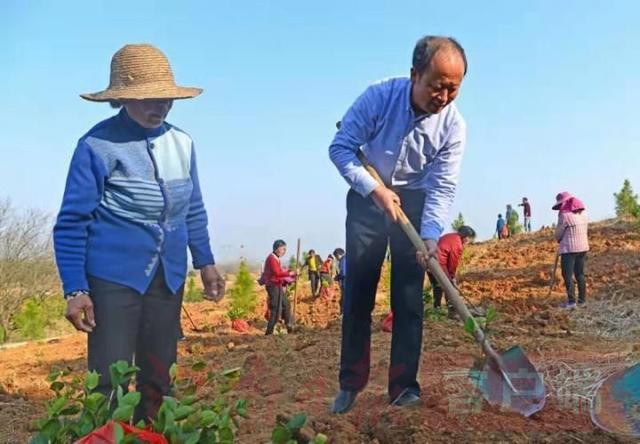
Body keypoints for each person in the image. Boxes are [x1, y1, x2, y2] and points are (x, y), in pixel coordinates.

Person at [53, 44, 225, 422]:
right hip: (114, 278)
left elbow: (192, 207)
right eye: (147, 98)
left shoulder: (182, 143)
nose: (158, 107)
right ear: (123, 98)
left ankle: (155, 433)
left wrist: (206, 261)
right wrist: (76, 289)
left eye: (165, 98)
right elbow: (71, 223)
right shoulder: (96, 146)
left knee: (160, 375)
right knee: (110, 381)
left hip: (168, 277)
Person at [329, 35, 468, 412]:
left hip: (417, 201)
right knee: (358, 293)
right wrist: (375, 190)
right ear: (414, 75)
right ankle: (350, 384)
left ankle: (404, 387)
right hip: (367, 196)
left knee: (409, 298)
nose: (443, 96)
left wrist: (430, 237)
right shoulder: (378, 98)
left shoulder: (453, 127)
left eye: (453, 89)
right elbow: (341, 148)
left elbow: (442, 185)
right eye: (437, 86)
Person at [427, 226, 476, 317]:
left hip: (431, 262)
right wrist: (451, 277)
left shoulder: (450, 236)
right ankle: (452, 311)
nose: (469, 241)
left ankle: (436, 309)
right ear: (466, 237)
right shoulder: (458, 244)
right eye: (470, 239)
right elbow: (453, 262)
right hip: (440, 264)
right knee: (449, 287)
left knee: (437, 287)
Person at [553, 192, 589, 308]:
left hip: (569, 249)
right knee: (580, 274)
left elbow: (558, 234)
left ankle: (572, 302)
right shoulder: (583, 213)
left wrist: (559, 238)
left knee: (567, 275)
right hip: (583, 247)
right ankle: (582, 301)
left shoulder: (564, 215)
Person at [262, 240, 295, 334]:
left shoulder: (276, 258)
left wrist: (289, 275)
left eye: (285, 249)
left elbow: (279, 272)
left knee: (286, 304)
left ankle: (289, 325)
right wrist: (290, 273)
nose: (284, 251)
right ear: (277, 249)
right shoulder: (272, 258)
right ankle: (269, 332)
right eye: (283, 249)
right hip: (272, 286)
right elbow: (277, 273)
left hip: (277, 285)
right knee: (276, 309)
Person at [333, 248, 346, 313]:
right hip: (350, 283)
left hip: (346, 283)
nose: (336, 259)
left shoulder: (343, 260)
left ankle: (343, 315)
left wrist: (337, 277)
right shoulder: (348, 258)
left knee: (343, 301)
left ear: (338, 255)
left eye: (336, 257)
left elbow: (343, 273)